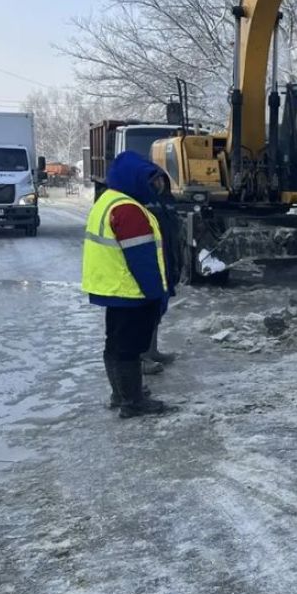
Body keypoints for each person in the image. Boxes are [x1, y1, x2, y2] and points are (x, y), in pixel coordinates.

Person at [81, 151, 171, 419]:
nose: (154, 187)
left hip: (112, 288)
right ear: (135, 179)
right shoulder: (129, 210)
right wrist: (157, 295)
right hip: (131, 291)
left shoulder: (108, 200)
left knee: (115, 344)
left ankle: (121, 395)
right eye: (151, 181)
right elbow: (141, 259)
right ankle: (132, 402)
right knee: (129, 349)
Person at [141, 172, 181, 373]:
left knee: (158, 310)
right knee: (145, 313)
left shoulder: (167, 201)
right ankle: (142, 357)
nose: (159, 183)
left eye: (161, 180)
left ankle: (152, 351)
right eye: (155, 180)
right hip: (154, 263)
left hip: (167, 260)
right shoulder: (143, 203)